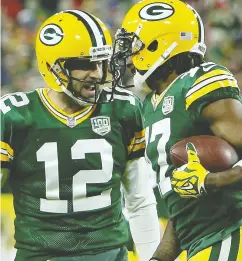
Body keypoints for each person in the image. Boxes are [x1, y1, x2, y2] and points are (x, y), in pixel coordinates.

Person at [0, 9, 160, 261]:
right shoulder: (13, 116)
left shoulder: (123, 109)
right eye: (84, 64)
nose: (97, 73)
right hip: (42, 255)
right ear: (51, 67)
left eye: (101, 62)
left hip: (109, 253)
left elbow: (139, 199)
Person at [110, 0, 242, 261]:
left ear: (160, 44)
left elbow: (203, 184)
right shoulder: (150, 105)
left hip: (230, 232)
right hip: (202, 241)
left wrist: (213, 180)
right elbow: (183, 207)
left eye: (134, 46)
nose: (129, 57)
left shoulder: (200, 82)